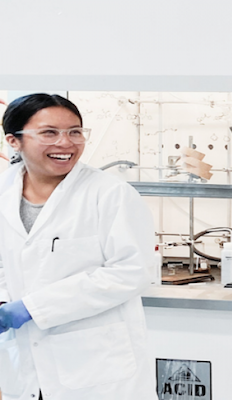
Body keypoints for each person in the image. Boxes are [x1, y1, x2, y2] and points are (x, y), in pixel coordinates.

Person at [0, 94, 158, 400]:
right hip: (25, 364)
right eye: (49, 133)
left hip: (97, 369)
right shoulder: (2, 193)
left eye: (75, 132)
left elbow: (131, 272)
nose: (66, 143)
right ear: (14, 141)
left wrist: (33, 308)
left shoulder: (110, 194)